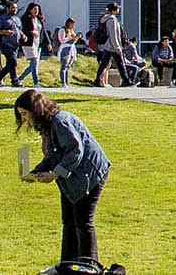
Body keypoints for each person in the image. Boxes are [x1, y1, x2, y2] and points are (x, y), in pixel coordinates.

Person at [15, 89, 111, 268]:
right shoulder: (48, 127)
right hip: (73, 176)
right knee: (68, 221)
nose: (24, 119)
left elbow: (76, 151)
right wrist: (35, 172)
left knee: (83, 222)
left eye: (24, 114)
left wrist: (55, 173)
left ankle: (89, 266)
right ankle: (66, 265)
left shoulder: (60, 122)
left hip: (89, 174)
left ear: (36, 110)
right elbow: (52, 155)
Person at [94, 3, 127, 88]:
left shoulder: (104, 19)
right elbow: (113, 35)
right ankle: (126, 81)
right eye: (118, 9)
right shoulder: (112, 20)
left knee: (104, 64)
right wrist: (117, 47)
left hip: (107, 45)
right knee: (120, 63)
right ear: (113, 10)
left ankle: (97, 80)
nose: (119, 10)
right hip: (112, 46)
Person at [0, 3, 22, 89]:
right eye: (12, 8)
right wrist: (5, 32)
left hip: (16, 44)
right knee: (13, 62)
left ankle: (2, 79)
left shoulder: (17, 19)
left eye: (16, 8)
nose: (15, 10)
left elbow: (18, 29)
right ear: (7, 8)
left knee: (11, 63)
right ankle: (13, 80)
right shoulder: (2, 18)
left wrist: (23, 35)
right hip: (6, 44)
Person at [15, 3, 46, 88]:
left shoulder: (39, 19)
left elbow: (43, 32)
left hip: (38, 43)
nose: (36, 11)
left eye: (37, 9)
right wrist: (31, 32)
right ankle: (36, 83)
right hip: (29, 43)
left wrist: (47, 43)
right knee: (34, 62)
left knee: (34, 64)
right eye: (34, 9)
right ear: (30, 10)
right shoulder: (25, 19)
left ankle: (19, 79)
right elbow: (22, 30)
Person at [54, 19, 82, 89]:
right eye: (71, 24)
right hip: (65, 48)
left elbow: (74, 41)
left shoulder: (71, 30)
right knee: (64, 66)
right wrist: (70, 38)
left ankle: (66, 82)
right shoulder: (62, 29)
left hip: (71, 48)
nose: (72, 25)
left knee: (68, 66)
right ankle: (63, 83)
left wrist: (77, 37)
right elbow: (62, 40)